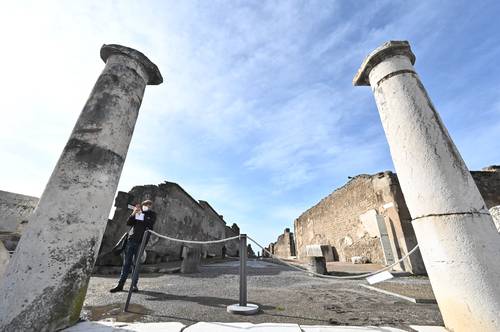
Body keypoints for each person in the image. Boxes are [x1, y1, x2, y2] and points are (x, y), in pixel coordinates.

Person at [110, 199, 156, 293]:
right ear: (143, 205)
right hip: (131, 241)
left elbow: (150, 223)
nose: (148, 206)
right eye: (146, 204)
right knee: (126, 264)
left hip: (141, 242)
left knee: (136, 265)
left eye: (149, 205)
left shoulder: (152, 214)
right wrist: (133, 213)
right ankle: (120, 285)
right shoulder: (138, 213)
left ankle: (134, 285)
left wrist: (139, 214)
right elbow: (128, 223)